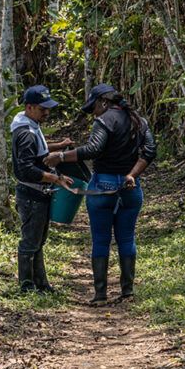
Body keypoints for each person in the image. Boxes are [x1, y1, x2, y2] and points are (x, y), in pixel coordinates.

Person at [44, 84, 156, 305]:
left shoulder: (104, 121)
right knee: (127, 238)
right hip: (130, 187)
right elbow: (150, 151)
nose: (93, 113)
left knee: (101, 239)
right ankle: (127, 292)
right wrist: (131, 175)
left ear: (103, 102)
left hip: (103, 185)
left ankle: (101, 295)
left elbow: (94, 149)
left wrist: (61, 156)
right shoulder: (139, 121)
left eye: (93, 107)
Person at [11, 85, 75, 294]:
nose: (46, 112)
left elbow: (40, 148)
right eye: (42, 109)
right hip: (31, 194)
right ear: (29, 107)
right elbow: (26, 168)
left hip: (39, 193)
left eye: (48, 108)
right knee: (30, 241)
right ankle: (27, 286)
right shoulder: (26, 133)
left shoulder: (30, 124)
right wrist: (55, 178)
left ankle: (41, 284)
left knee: (38, 240)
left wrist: (59, 145)